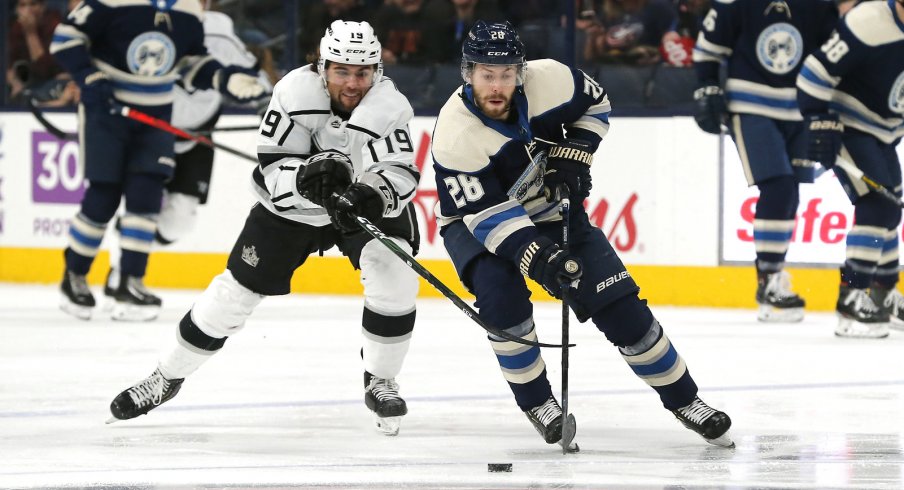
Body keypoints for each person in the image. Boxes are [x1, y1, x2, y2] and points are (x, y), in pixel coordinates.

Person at [106, 20, 422, 437]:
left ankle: (380, 380)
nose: (352, 83)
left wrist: (370, 194)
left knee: (394, 271)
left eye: (362, 72)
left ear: (377, 71)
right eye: (341, 71)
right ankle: (165, 376)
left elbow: (399, 172)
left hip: (357, 202)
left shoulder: (390, 104)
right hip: (290, 211)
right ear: (322, 66)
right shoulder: (293, 92)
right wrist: (305, 176)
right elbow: (274, 169)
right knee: (232, 295)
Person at [431, 20, 733, 448]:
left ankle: (686, 400)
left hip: (548, 208)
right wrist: (539, 258)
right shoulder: (454, 134)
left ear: (521, 71)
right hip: (474, 222)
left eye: (506, 73)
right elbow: (490, 218)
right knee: (502, 298)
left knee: (621, 307)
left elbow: (597, 104)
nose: (497, 85)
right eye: (486, 74)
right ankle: (538, 403)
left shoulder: (551, 78)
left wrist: (575, 156)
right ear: (467, 73)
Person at [51, 0, 268, 322]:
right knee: (104, 196)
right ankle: (75, 274)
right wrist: (89, 77)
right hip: (107, 113)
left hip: (156, 116)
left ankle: (130, 281)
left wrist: (224, 79)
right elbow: (65, 38)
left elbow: (191, 62)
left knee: (146, 195)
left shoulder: (189, 8)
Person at [692, 0, 839, 322]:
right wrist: (707, 85)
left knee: (790, 192)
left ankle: (772, 278)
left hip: (801, 107)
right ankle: (770, 279)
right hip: (749, 103)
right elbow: (708, 48)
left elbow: (833, 55)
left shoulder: (819, 6)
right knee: (779, 187)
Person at [796, 0, 904, 337]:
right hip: (847, 123)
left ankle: (884, 293)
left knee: (891, 208)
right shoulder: (867, 21)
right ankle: (851, 296)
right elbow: (814, 72)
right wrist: (818, 120)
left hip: (885, 131)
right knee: (877, 205)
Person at [6, 0, 64, 101]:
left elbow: (45, 71)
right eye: (22, 5)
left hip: (50, 84)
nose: (28, 10)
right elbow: (9, 64)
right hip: (24, 84)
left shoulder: (56, 25)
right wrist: (14, 82)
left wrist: (30, 33)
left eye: (33, 4)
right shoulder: (13, 28)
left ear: (43, 7)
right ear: (16, 9)